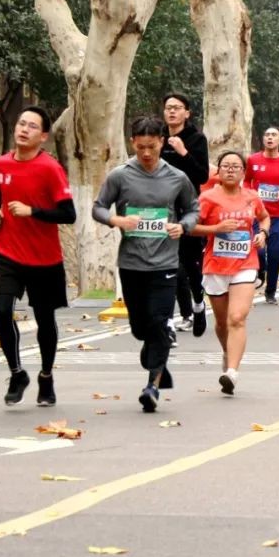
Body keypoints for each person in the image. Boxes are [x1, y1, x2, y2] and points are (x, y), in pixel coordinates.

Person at [94, 116, 199, 413]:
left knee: (159, 320)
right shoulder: (120, 175)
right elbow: (98, 207)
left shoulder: (177, 178)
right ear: (133, 144)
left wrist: (183, 226)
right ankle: (153, 354)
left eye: (152, 147)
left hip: (165, 262)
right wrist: (116, 219)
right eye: (141, 148)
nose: (147, 154)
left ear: (162, 142)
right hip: (131, 263)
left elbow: (193, 209)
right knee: (141, 327)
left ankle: (152, 386)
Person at [0, 107, 76, 407]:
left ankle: (46, 378)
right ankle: (16, 372)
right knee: (1, 311)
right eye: (21, 123)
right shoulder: (0, 164)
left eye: (32, 126)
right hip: (7, 252)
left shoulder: (50, 168)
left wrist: (32, 211)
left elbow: (68, 213)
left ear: (44, 136)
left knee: (45, 321)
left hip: (44, 258)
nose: (24, 129)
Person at [191, 151, 270, 395]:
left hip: (245, 263)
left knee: (237, 318)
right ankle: (228, 351)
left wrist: (263, 234)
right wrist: (216, 228)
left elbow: (265, 217)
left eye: (236, 166)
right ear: (219, 171)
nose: (230, 170)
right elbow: (190, 227)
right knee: (223, 322)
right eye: (225, 166)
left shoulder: (252, 197)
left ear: (243, 172)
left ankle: (232, 373)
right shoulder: (207, 197)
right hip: (215, 265)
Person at [160, 93, 210, 338]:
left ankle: (199, 305)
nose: (172, 112)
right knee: (167, 265)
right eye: (168, 108)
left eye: (177, 108)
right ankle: (172, 319)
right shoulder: (157, 136)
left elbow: (201, 176)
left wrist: (183, 153)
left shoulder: (196, 139)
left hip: (187, 209)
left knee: (189, 264)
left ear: (187, 113)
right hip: (160, 209)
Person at [245, 127, 279, 304]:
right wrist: (249, 193)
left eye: (273, 135)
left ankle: (271, 292)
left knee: (275, 255)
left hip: (278, 217)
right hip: (257, 215)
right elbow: (246, 180)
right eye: (267, 134)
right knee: (259, 250)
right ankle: (260, 271)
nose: (269, 138)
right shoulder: (253, 160)